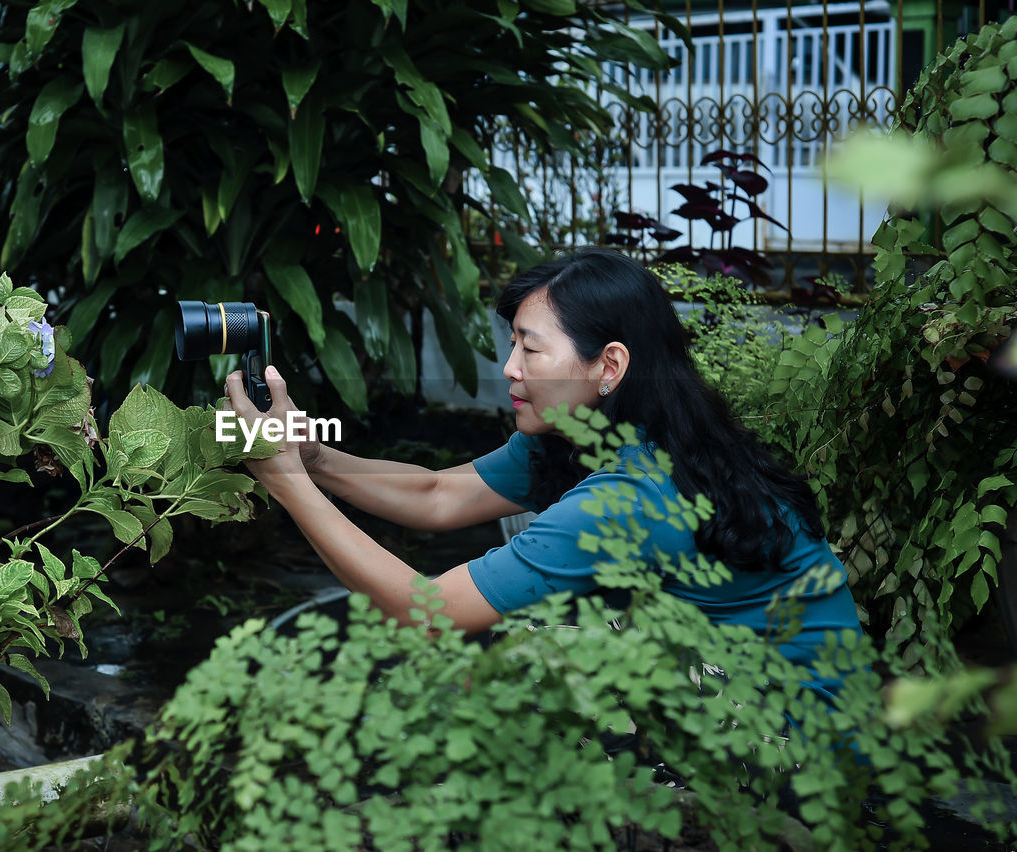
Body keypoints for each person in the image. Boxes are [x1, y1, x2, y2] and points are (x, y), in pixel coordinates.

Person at [223, 249, 860, 694]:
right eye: (513, 345)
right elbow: (440, 495)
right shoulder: (586, 435)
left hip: (794, 728)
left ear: (608, 366)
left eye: (531, 347)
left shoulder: (637, 493)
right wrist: (313, 457)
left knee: (508, 672)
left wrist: (284, 480)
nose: (510, 369)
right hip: (721, 669)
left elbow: (431, 612)